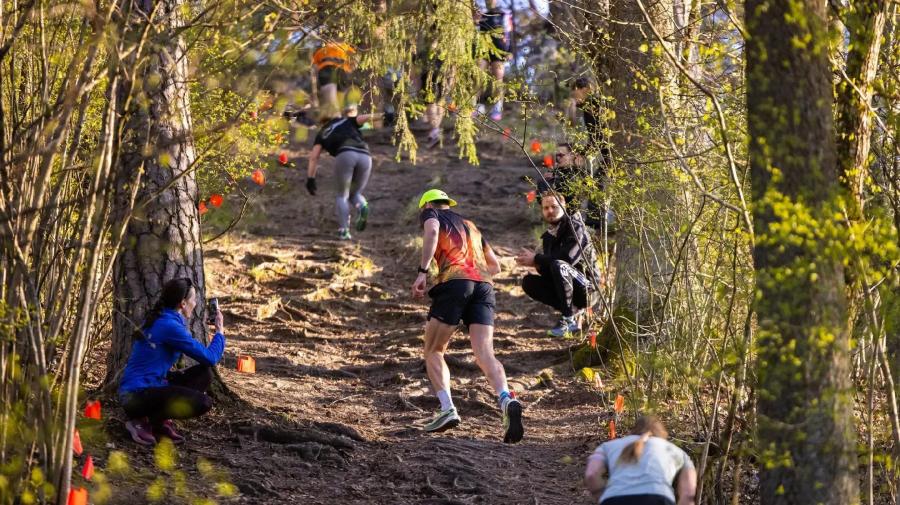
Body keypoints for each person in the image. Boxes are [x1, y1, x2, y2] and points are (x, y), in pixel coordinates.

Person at [411, 189, 524, 443]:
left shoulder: (431, 214)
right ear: (448, 204)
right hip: (484, 285)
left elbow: (432, 232)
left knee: (433, 350)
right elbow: (494, 266)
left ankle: (447, 408)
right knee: (485, 354)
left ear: (428, 205)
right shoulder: (471, 226)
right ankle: (506, 399)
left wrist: (422, 272)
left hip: (455, 282)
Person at [118, 278, 225, 445]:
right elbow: (210, 358)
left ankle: (157, 422)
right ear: (183, 303)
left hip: (151, 385)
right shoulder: (170, 326)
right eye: (194, 299)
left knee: (204, 374)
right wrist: (219, 331)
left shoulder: (161, 319)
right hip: (136, 396)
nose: (195, 304)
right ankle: (140, 421)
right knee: (203, 402)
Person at [516, 192, 599, 337]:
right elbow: (552, 271)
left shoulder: (575, 227)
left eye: (554, 207)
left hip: (588, 288)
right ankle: (572, 312)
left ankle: (568, 320)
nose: (550, 211)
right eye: (546, 208)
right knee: (528, 282)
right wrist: (537, 264)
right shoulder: (548, 236)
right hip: (569, 286)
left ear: (563, 206)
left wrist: (537, 258)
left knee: (560, 265)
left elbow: (567, 259)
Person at [584, 416, 697, 505]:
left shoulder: (607, 446)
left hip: (614, 499)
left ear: (633, 430)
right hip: (658, 498)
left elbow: (591, 474)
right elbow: (688, 494)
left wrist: (601, 496)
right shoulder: (675, 451)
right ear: (662, 433)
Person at [306, 109, 378, 240]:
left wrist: (310, 178)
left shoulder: (321, 133)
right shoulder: (346, 120)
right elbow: (364, 118)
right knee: (355, 194)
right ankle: (362, 206)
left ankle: (344, 231)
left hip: (345, 154)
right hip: (365, 155)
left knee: (342, 195)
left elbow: (314, 157)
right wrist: (383, 115)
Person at [474, 0, 510, 122]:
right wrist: (475, 21)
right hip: (482, 50)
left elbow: (508, 33)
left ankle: (497, 108)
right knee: (478, 77)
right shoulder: (480, 13)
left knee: (498, 79)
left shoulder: (503, 13)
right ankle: (477, 105)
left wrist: (509, 51)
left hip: (499, 50)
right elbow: (475, 30)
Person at [313, 41, 355, 119]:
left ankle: (337, 119)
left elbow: (315, 67)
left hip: (330, 70)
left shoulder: (322, 50)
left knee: (332, 100)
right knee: (337, 100)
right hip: (338, 71)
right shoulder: (346, 47)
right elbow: (354, 62)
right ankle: (339, 119)